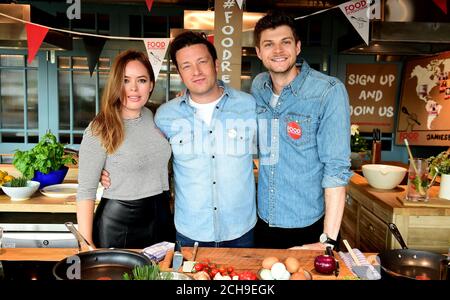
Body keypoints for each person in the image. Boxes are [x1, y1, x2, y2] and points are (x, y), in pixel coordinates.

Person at [251, 12, 352, 250]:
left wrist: (327, 240)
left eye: (285, 42)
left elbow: (336, 168)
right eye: (269, 44)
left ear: (297, 46)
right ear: (258, 52)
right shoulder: (259, 86)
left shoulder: (328, 92)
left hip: (308, 227)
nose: (277, 50)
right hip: (262, 221)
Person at [156, 31, 257, 248]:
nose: (197, 72)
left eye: (202, 62)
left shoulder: (249, 106)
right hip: (190, 231)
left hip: (241, 230)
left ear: (216, 64)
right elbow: (148, 156)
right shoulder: (165, 116)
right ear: (180, 73)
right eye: (187, 66)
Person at [76, 50, 174, 249]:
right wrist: (86, 244)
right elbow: (86, 191)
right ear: (115, 85)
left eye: (142, 80)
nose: (134, 89)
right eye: (125, 80)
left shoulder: (159, 116)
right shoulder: (100, 128)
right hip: (118, 224)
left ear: (151, 85)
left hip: (161, 216)